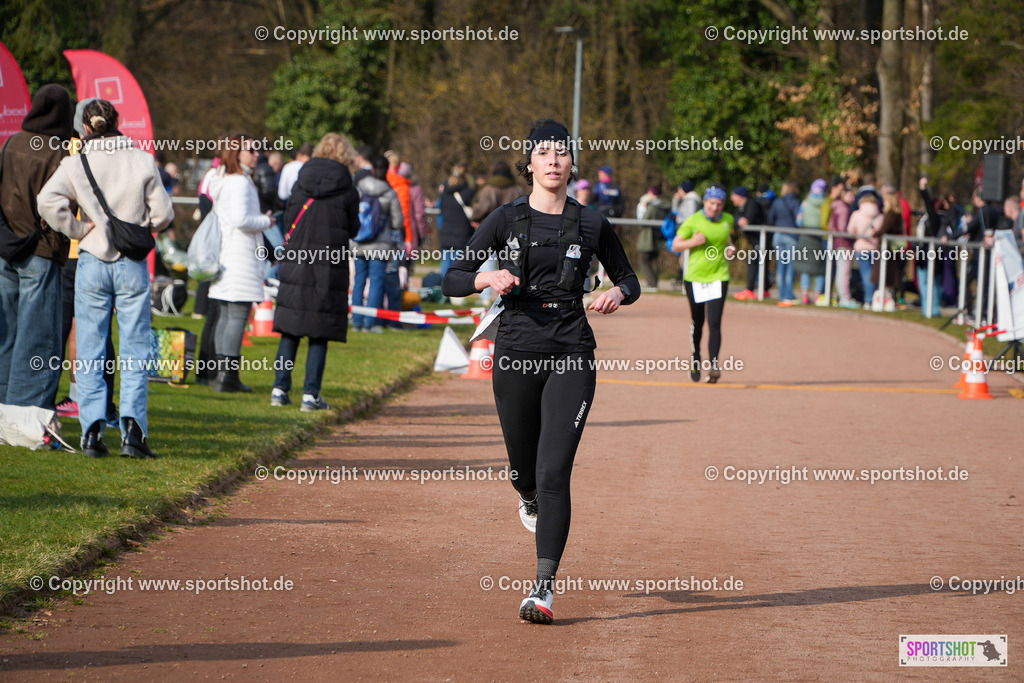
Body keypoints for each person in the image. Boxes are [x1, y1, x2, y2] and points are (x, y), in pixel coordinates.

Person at [442, 119, 640, 625]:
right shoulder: (505, 219)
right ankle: (524, 495)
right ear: (528, 163)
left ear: (572, 164)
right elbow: (453, 278)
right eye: (544, 153)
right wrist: (488, 276)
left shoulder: (591, 223)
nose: (553, 160)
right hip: (515, 352)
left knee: (555, 472)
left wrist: (615, 293)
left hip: (572, 350)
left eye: (562, 153)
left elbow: (629, 279)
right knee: (523, 470)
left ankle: (543, 589)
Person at [38, 98, 173, 457]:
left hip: (92, 259)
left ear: (85, 127)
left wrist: (79, 229)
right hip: (131, 263)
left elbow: (47, 201)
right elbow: (163, 214)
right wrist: (141, 227)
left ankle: (91, 432)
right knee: (134, 348)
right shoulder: (142, 159)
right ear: (117, 122)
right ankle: (133, 432)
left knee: (90, 349)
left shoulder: (75, 162)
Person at [271, 132, 359, 411]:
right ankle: (310, 394)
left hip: (297, 256)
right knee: (319, 330)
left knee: (290, 327)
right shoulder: (347, 186)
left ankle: (279, 389)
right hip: (328, 264)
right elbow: (353, 227)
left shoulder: (302, 179)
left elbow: (289, 215)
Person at [0, 84, 73, 416]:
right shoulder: (59, 152)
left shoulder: (11, 144)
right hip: (41, 251)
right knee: (39, 337)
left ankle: (4, 408)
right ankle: (27, 413)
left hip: (6, 248)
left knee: (6, 335)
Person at [207, 133, 272, 392]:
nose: (257, 154)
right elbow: (241, 219)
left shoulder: (224, 179)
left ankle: (222, 374)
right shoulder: (240, 183)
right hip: (239, 256)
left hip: (227, 254)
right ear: (237, 153)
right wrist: (267, 221)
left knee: (226, 314)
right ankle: (227, 376)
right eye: (251, 150)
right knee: (237, 315)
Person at [672, 186, 737, 383]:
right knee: (698, 322)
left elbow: (728, 240)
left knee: (715, 322)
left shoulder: (727, 220)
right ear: (705, 203)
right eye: (711, 204)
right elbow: (675, 245)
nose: (715, 208)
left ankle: (714, 365)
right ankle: (696, 357)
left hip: (719, 276)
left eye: (718, 205)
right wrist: (693, 242)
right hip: (695, 278)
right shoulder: (693, 221)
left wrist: (731, 249)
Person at [351, 155, 404, 332]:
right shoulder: (390, 193)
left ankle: (357, 321)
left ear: (372, 169)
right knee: (376, 282)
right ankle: (371, 323)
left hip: (358, 242)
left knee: (358, 281)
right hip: (380, 246)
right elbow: (398, 222)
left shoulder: (359, 188)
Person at [470, 160, 522, 304]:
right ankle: (507, 295)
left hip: (490, 228)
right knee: (510, 263)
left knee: (487, 262)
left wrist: (475, 217)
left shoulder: (488, 188)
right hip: (512, 231)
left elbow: (481, 207)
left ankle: (485, 297)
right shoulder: (515, 188)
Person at [730, 186, 768, 300]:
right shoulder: (740, 207)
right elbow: (734, 219)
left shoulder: (752, 204)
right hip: (756, 240)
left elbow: (747, 220)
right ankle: (764, 289)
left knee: (754, 262)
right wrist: (737, 221)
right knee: (759, 263)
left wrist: (739, 221)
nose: (732, 199)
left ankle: (751, 290)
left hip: (763, 239)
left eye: (733, 196)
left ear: (741, 196)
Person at [794, 179, 828, 305]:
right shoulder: (826, 202)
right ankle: (818, 295)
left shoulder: (805, 202)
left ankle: (805, 296)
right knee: (820, 268)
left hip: (806, 236)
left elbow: (799, 221)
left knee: (806, 267)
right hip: (821, 237)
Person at [847, 194, 883, 309]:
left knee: (866, 275)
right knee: (874, 275)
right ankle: (874, 299)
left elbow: (850, 230)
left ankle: (869, 300)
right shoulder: (880, 216)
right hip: (875, 248)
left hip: (861, 247)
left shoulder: (857, 214)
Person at [438, 164, 475, 276]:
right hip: (462, 233)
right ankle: (454, 291)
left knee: (445, 264)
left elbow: (441, 209)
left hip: (446, 232)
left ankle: (443, 289)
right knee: (458, 266)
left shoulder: (444, 191)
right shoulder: (468, 191)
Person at [768, 181, 801, 306]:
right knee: (790, 267)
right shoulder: (796, 202)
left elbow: (771, 219)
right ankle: (788, 295)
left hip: (778, 235)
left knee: (781, 266)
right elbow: (799, 220)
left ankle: (782, 295)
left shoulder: (777, 202)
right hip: (791, 236)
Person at [827, 178, 857, 308]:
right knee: (844, 272)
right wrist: (852, 234)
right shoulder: (843, 208)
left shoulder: (836, 206)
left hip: (838, 243)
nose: (853, 198)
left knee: (840, 271)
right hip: (843, 243)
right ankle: (845, 297)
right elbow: (842, 228)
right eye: (851, 195)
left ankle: (842, 296)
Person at [637, 184, 670, 291]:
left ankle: (652, 285)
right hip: (659, 237)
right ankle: (655, 283)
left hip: (648, 237)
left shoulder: (652, 206)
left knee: (643, 261)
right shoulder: (665, 205)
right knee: (654, 260)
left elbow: (643, 220)